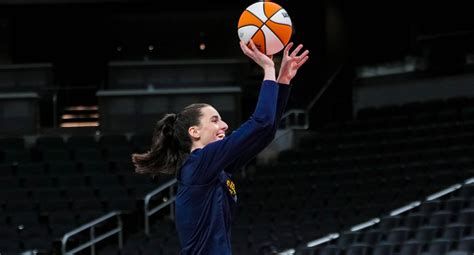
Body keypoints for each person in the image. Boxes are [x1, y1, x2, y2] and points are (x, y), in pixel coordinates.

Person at [132, 39, 309, 254]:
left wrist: (282, 82)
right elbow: (260, 123)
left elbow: (265, 132)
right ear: (194, 132)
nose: (224, 125)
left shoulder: (215, 168)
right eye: (215, 120)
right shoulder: (198, 163)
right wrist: (268, 68)